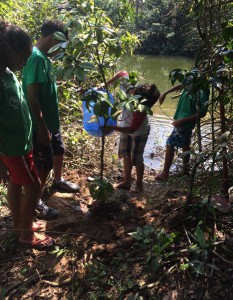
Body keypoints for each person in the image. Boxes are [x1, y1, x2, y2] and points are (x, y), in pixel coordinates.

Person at [0, 21, 54, 248]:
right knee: (32, 187)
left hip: (20, 145)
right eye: (22, 58)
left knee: (15, 182)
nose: (24, 63)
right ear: (7, 51)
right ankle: (25, 235)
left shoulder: (8, 73)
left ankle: (20, 223)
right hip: (14, 148)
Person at [22, 20, 79, 219]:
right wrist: (42, 127)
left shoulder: (45, 58)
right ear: (54, 38)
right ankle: (36, 201)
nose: (62, 49)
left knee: (58, 151)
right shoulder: (36, 58)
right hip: (41, 124)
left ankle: (58, 180)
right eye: (61, 44)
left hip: (50, 122)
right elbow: (32, 96)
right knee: (44, 163)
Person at [103, 71, 160, 192]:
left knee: (137, 159)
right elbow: (122, 73)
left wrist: (113, 127)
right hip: (125, 127)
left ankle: (139, 185)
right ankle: (127, 181)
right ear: (134, 92)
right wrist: (105, 85)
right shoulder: (129, 90)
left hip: (139, 133)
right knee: (125, 155)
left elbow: (132, 129)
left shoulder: (141, 111)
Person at [156, 83, 209, 181]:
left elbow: (202, 112)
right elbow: (183, 84)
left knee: (170, 143)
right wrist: (166, 92)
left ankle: (165, 174)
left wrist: (182, 121)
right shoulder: (193, 78)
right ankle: (185, 172)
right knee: (185, 145)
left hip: (185, 123)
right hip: (181, 120)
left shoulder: (203, 89)